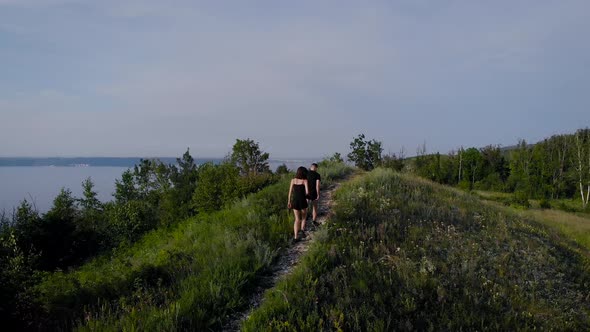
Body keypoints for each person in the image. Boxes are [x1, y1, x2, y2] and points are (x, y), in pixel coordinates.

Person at [288, 166, 309, 242]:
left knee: (297, 219)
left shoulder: (293, 180)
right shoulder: (305, 181)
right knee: (303, 217)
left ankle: (296, 237)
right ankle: (302, 232)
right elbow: (307, 193)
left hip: (295, 201)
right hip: (302, 201)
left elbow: (290, 192)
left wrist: (289, 202)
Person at [307, 163, 321, 227]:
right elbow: (317, 185)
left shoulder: (306, 174)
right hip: (314, 193)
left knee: (305, 207)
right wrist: (318, 194)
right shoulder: (317, 175)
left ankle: (304, 221)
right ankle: (314, 222)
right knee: (314, 208)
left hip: (306, 193)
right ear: (316, 168)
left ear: (311, 167)